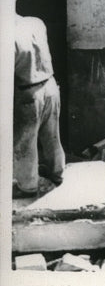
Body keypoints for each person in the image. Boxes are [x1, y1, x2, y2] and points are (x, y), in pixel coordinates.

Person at [14, 13, 66, 198]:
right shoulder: (36, 22)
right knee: (52, 136)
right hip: (50, 85)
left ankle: (27, 186)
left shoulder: (6, 33)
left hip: (28, 91)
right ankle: (57, 173)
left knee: (24, 141)